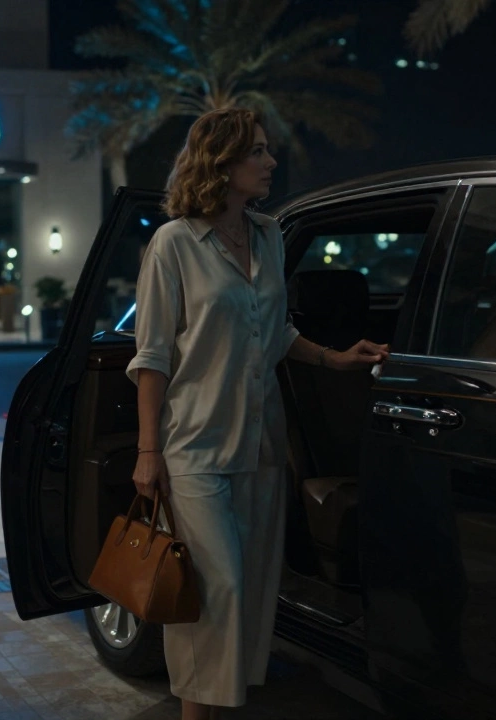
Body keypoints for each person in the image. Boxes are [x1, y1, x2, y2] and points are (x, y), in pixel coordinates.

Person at [126, 107, 389, 720]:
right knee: (216, 591)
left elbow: (274, 329)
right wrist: (147, 451)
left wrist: (334, 359)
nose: (271, 162)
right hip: (194, 446)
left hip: (261, 445)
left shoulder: (268, 234)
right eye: (258, 152)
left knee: (247, 597)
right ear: (220, 162)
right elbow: (152, 357)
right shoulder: (174, 243)